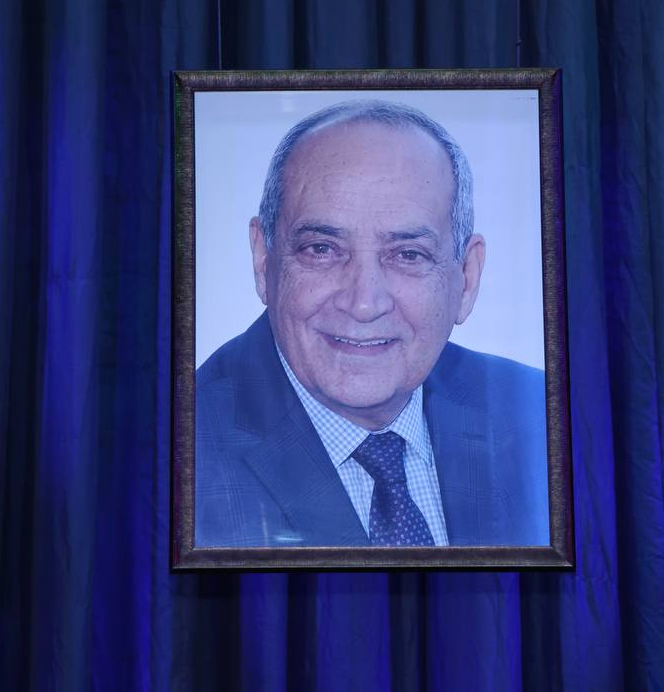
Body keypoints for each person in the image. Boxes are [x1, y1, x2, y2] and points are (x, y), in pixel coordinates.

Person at [195, 99, 548, 548]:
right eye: (321, 249)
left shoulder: (541, 414)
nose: (364, 303)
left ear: (467, 278)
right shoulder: (176, 450)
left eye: (408, 255)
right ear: (264, 260)